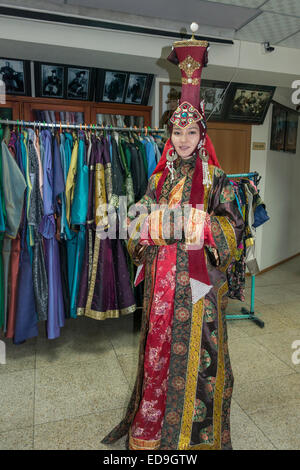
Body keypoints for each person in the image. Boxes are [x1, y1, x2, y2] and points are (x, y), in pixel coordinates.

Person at [102, 32, 244, 451]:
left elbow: (236, 231)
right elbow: (132, 223)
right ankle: (151, 428)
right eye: (176, 131)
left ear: (202, 134)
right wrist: (156, 225)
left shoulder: (218, 180)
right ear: (170, 134)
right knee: (158, 355)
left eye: (190, 131)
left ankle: (195, 437)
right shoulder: (158, 178)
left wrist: (197, 226)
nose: (182, 139)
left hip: (200, 288)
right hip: (163, 287)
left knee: (203, 363)